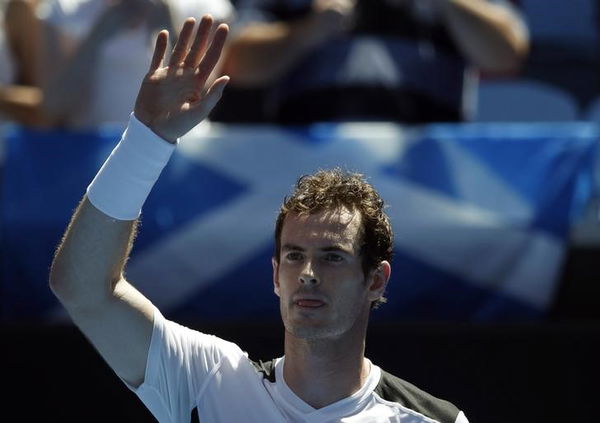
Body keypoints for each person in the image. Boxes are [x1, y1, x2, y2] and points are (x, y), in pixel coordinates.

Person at [50, 16, 469, 422]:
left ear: (375, 280)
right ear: (275, 275)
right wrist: (146, 139)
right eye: (293, 256)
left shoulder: (435, 420)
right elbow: (82, 287)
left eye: (332, 256)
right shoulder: (207, 380)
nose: (307, 273)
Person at [215, 0, 529, 124]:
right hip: (306, 179)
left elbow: (507, 56)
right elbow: (235, 63)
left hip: (428, 182)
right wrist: (310, 29)